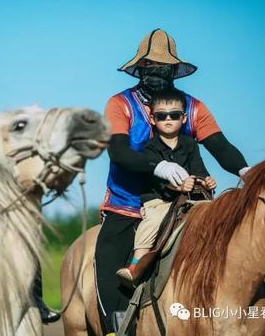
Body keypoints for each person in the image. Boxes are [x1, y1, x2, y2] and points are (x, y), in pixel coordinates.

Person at [95, 28, 249, 335]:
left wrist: (247, 173)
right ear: (138, 69)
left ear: (174, 71)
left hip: (185, 201)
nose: (155, 74)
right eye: (149, 68)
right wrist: (159, 166)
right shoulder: (120, 104)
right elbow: (119, 153)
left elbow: (219, 146)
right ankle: (114, 325)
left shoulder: (192, 107)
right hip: (129, 203)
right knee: (107, 252)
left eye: (162, 68)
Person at [115, 88, 217, 287]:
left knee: (217, 216)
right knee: (153, 221)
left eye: (174, 115)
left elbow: (198, 169)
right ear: (153, 120)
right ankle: (136, 264)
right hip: (158, 200)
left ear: (184, 118)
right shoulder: (149, 148)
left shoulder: (190, 144)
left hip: (188, 200)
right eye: (162, 116)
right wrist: (177, 186)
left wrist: (206, 181)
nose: (168, 119)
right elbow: (156, 182)